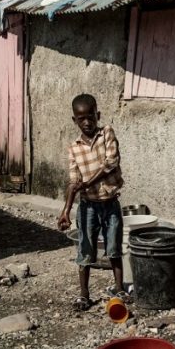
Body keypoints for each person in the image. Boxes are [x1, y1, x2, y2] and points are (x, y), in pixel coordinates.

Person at [57, 94, 126, 311]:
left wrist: (86, 183)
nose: (87, 122)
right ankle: (84, 294)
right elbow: (73, 182)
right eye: (81, 119)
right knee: (85, 248)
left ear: (97, 115)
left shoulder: (107, 133)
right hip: (87, 207)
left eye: (90, 117)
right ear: (74, 120)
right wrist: (66, 211)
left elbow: (110, 164)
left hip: (110, 202)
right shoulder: (73, 148)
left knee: (114, 246)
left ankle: (119, 288)